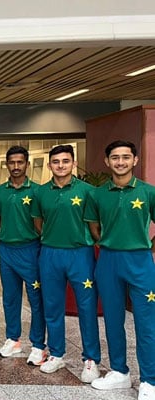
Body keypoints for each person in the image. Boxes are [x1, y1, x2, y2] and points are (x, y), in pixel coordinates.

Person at [86, 140, 155, 398]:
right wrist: (107, 242)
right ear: (107, 162)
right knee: (113, 319)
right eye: (115, 157)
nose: (120, 162)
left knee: (146, 322)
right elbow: (94, 228)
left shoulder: (149, 192)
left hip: (140, 261)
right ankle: (119, 372)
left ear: (135, 160)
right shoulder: (97, 194)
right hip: (108, 261)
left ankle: (149, 379)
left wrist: (148, 247)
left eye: (126, 157)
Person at [31, 144, 101, 382]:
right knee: (52, 306)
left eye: (65, 161)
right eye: (56, 162)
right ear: (50, 165)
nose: (61, 165)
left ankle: (91, 359)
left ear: (73, 164)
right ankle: (57, 353)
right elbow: (38, 223)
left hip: (80, 254)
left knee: (87, 307)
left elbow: (96, 225)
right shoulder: (41, 193)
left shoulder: (89, 191)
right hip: (50, 254)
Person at [0, 146, 47, 365]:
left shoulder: (37, 191)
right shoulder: (0, 191)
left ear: (27, 164)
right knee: (10, 297)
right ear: (6, 164)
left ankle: (38, 345)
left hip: (30, 249)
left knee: (35, 299)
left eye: (20, 162)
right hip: (6, 250)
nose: (15, 166)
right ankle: (13, 339)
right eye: (12, 162)